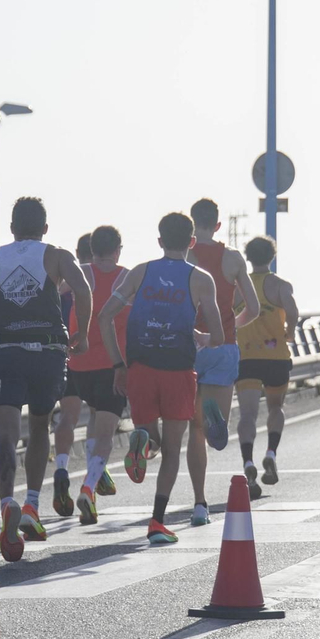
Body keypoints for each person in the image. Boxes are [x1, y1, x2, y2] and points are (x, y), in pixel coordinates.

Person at [0, 196, 91, 561]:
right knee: (41, 427)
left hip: (4, 352)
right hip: (47, 352)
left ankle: (6, 504)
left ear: (12, 228)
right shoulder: (57, 254)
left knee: (4, 434)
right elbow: (83, 289)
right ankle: (31, 506)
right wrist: (84, 334)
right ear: (45, 228)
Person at [97, 211, 224, 545]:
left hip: (139, 368)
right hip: (179, 370)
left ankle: (143, 441)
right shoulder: (201, 279)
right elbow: (220, 334)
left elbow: (105, 315)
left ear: (159, 241)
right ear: (192, 242)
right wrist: (202, 337)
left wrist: (118, 365)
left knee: (152, 439)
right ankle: (157, 522)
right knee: (172, 450)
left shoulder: (141, 272)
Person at [184, 198, 259, 528]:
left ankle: (199, 503)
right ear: (217, 225)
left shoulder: (184, 256)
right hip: (223, 344)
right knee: (216, 432)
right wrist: (230, 326)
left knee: (194, 429)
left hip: (189, 346)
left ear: (191, 222)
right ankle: (218, 423)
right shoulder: (232, 258)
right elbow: (253, 309)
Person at [56, 224, 129, 525]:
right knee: (105, 434)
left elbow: (50, 293)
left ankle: (61, 469)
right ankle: (88, 487)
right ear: (117, 250)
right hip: (111, 365)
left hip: (76, 360)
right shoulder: (126, 277)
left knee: (69, 420)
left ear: (91, 248)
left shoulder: (78, 274)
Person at [233, 235, 297, 495]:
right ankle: (271, 452)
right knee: (275, 408)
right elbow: (293, 312)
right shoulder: (280, 285)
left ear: (248, 257)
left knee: (247, 414)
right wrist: (289, 332)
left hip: (246, 357)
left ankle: (248, 462)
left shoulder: (237, 288)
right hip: (276, 357)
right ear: (272, 256)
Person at [50, 232, 101, 504]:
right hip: (92, 357)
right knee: (96, 414)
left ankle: (60, 468)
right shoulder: (93, 278)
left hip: (65, 355)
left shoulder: (62, 281)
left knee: (67, 417)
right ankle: (94, 473)